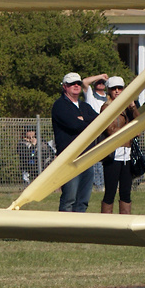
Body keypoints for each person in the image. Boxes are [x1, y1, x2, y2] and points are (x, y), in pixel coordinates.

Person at [51, 72, 98, 212]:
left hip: (87, 156)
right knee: (69, 199)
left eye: (78, 83)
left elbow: (99, 121)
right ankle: (63, 231)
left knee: (83, 200)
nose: (76, 86)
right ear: (65, 87)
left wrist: (83, 121)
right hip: (69, 158)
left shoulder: (85, 106)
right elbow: (73, 125)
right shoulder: (59, 105)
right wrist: (86, 123)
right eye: (72, 84)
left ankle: (78, 231)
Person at [99, 77, 139, 214]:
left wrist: (133, 108)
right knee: (110, 192)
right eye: (114, 88)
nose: (117, 91)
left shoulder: (128, 108)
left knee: (126, 192)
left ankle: (125, 220)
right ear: (108, 91)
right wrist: (131, 130)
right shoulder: (106, 108)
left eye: (120, 88)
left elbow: (140, 126)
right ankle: (106, 224)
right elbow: (111, 130)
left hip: (127, 154)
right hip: (113, 154)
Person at [82, 74, 109, 191]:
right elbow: (85, 82)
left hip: (106, 129)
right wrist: (100, 76)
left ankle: (104, 183)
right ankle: (98, 185)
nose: (101, 84)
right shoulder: (90, 95)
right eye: (98, 82)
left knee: (105, 157)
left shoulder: (108, 98)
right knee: (94, 158)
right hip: (93, 130)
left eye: (103, 82)